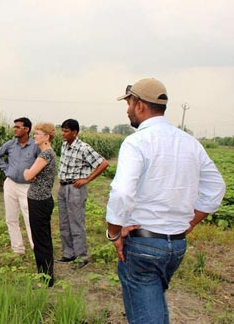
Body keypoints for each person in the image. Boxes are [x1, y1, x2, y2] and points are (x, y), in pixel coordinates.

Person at [106, 78, 226, 324]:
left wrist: (114, 233)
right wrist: (190, 223)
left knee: (146, 315)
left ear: (139, 105)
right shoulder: (189, 142)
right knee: (154, 306)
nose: (128, 109)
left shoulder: (137, 141)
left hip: (143, 245)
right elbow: (216, 187)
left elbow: (122, 192)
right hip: (176, 246)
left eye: (129, 103)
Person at [56, 119, 109, 268]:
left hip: (75, 189)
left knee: (76, 223)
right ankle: (68, 253)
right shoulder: (64, 146)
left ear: (75, 132)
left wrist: (87, 179)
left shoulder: (83, 148)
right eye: (62, 130)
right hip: (63, 187)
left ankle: (81, 256)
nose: (63, 133)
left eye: (66, 131)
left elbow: (103, 163)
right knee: (64, 223)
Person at [0, 117, 40, 254]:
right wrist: (6, 169)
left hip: (27, 186)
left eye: (18, 127)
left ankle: (36, 248)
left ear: (26, 129)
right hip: (11, 184)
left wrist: (36, 173)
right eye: (14, 127)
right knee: (11, 218)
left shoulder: (35, 145)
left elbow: (43, 161)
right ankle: (17, 249)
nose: (15, 129)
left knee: (29, 217)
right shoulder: (10, 144)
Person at [24, 122, 57, 287]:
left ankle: (45, 278)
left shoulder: (45, 155)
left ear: (47, 137)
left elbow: (28, 175)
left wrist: (27, 173)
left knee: (41, 240)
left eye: (37, 133)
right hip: (42, 200)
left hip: (39, 201)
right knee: (42, 238)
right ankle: (45, 274)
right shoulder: (48, 154)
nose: (34, 136)